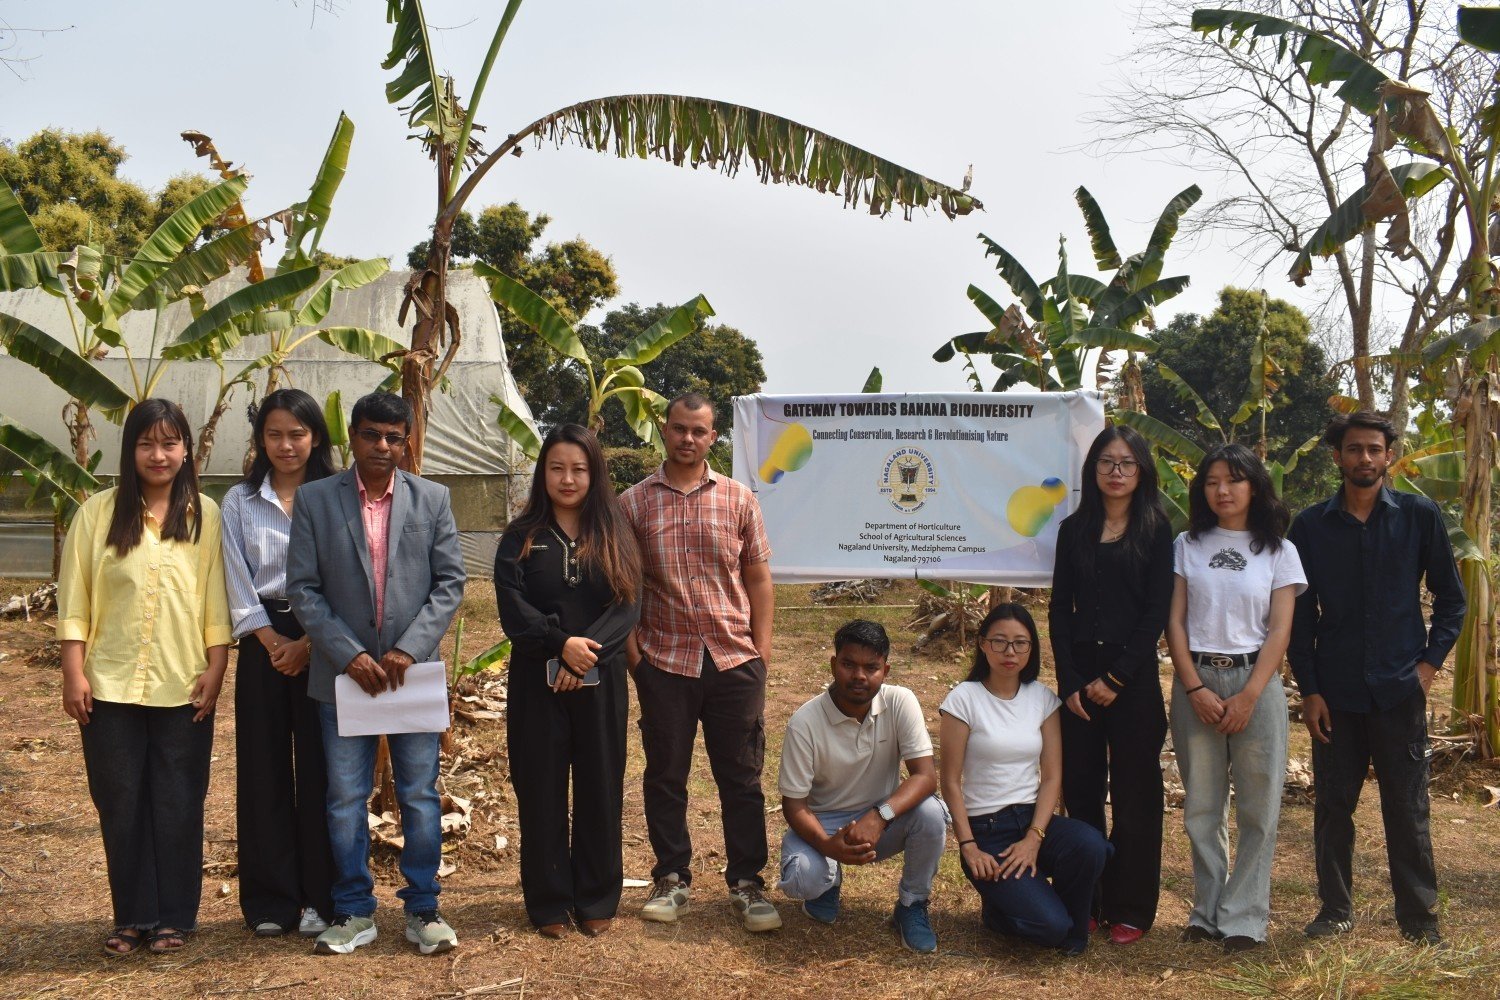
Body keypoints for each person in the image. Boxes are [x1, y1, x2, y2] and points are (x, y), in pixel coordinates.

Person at [287, 391, 466, 956]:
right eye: (371, 435)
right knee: (344, 796)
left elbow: (450, 583)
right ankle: (354, 910)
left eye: (394, 437)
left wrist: (410, 650)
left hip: (410, 678)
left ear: (407, 440)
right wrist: (348, 653)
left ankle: (423, 909)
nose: (382, 446)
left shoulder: (433, 499)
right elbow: (304, 589)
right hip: (345, 679)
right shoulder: (317, 500)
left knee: (418, 793)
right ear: (353, 438)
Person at [57, 398, 231, 956]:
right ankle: (132, 915)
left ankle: (175, 917)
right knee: (119, 799)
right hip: (107, 686)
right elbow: (76, 599)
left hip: (182, 685)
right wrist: (73, 671)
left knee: (180, 800)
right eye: (146, 444)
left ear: (186, 450)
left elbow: (214, 603)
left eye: (170, 443)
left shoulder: (205, 515)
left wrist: (218, 666)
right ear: (131, 450)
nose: (159, 455)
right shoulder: (97, 514)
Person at [1288, 411, 1464, 947]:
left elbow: (1452, 601)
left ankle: (1419, 917)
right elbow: (1300, 617)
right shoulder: (1310, 526)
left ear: (1389, 455)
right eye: (1354, 449)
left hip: (1398, 692)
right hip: (1335, 695)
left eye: (1374, 449)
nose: (1364, 458)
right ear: (1337, 456)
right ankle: (1335, 909)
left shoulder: (1418, 516)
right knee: (1333, 808)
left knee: (1407, 809)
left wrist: (1428, 668)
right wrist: (1311, 690)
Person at [618, 392, 780, 932]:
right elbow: (624, 585)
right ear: (664, 430)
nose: (689, 438)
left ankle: (748, 883)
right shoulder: (633, 504)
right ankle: (671, 876)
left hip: (734, 659)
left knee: (742, 775)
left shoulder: (738, 498)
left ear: (714, 437)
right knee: (666, 774)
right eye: (680, 428)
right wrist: (635, 656)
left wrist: (762, 647)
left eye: (700, 431)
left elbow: (757, 576)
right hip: (664, 662)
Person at [494, 424, 642, 939]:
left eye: (578, 468)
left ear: (594, 472)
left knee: (601, 786)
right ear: (543, 472)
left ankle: (598, 896)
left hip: (601, 681)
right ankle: (549, 901)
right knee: (541, 787)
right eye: (556, 467)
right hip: (538, 682)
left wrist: (586, 657)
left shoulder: (615, 529)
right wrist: (561, 646)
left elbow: (628, 604)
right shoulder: (522, 535)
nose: (567, 478)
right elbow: (513, 609)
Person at [1167, 443, 1305, 953]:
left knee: (1257, 806)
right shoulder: (1187, 543)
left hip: (1257, 684)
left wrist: (1249, 695)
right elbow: (1175, 622)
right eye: (1212, 481)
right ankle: (1206, 910)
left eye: (1234, 480)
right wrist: (1194, 686)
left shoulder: (1279, 551)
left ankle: (1245, 916)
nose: (1222, 490)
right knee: (1201, 806)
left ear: (1255, 486)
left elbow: (1280, 632)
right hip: (1196, 681)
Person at [1049, 425, 1173, 944]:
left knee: (1135, 796)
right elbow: (1058, 610)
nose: (1116, 472)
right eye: (1106, 462)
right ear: (1092, 470)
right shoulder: (1073, 529)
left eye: (1126, 463)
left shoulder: (1156, 529)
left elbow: (1156, 612)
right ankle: (1088, 900)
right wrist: (1073, 683)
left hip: (1134, 683)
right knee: (1080, 794)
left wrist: (1117, 677)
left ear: (1141, 471)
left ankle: (1131, 908)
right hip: (1078, 685)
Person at [221, 388, 337, 939]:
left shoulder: (338, 497)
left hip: (325, 642)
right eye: (274, 434)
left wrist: (310, 644)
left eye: (297, 433)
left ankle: (322, 896)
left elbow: (346, 580)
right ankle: (270, 899)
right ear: (259, 439)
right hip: (262, 640)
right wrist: (273, 643)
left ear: (316, 437)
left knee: (322, 769)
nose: (286, 445)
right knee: (263, 768)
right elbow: (238, 585)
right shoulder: (239, 502)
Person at [940, 603, 1110, 956]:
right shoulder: (963, 699)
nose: (1010, 652)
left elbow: (1051, 777)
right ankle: (1002, 913)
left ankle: (1070, 930)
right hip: (987, 833)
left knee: (1091, 845)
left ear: (1032, 648)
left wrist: (1034, 837)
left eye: (1021, 643)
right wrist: (968, 845)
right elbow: (951, 781)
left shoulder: (1042, 699)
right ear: (983, 644)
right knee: (1050, 928)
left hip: (1032, 820)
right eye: (999, 641)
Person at [776, 620, 946, 953]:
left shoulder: (900, 702)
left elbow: (925, 776)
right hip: (823, 823)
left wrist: (880, 816)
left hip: (879, 820)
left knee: (931, 814)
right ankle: (827, 882)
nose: (859, 676)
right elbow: (794, 805)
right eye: (849, 664)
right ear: (833, 665)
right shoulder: (804, 722)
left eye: (872, 667)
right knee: (802, 879)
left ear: (886, 669)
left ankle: (911, 905)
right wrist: (828, 847)